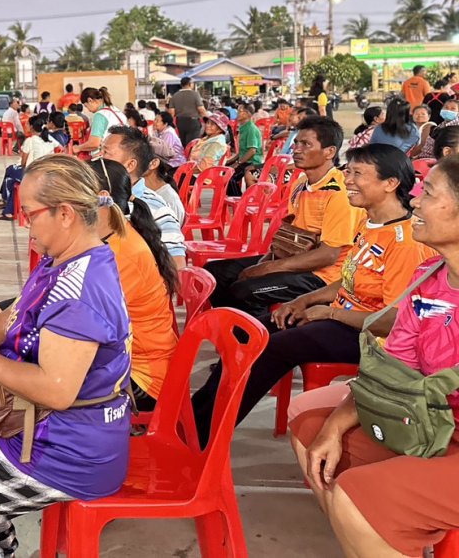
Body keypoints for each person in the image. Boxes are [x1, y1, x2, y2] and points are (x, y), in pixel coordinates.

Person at [0, 155, 132, 558]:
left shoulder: (80, 290)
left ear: (65, 213)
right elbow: (14, 314)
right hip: (54, 430)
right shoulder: (63, 260)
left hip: (72, 449)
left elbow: (56, 391)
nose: (25, 223)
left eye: (30, 214)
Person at [192, 144, 429, 446]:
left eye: (358, 174)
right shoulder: (370, 224)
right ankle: (191, 420)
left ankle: (201, 437)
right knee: (246, 335)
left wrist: (330, 312)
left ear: (390, 183)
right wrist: (303, 301)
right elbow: (349, 280)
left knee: (270, 348)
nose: (348, 181)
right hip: (342, 318)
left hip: (372, 339)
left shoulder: (405, 242)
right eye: (349, 172)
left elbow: (392, 321)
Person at [292, 157, 459, 558]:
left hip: (443, 425)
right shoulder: (430, 277)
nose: (414, 202)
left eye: (428, 194)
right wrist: (333, 428)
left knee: (358, 495)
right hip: (437, 422)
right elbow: (390, 372)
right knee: (311, 430)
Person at [207, 115, 362, 316]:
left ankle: (261, 341)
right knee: (215, 273)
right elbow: (287, 234)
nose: (296, 149)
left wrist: (269, 268)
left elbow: (328, 256)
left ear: (329, 152)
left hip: (323, 275)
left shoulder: (339, 193)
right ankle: (234, 335)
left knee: (245, 290)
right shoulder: (300, 184)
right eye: (296, 142)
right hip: (296, 259)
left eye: (306, 144)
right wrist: (265, 262)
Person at [90, 159, 179, 413]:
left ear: (101, 198)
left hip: (142, 379)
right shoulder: (110, 238)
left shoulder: (120, 253)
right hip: (128, 361)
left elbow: (88, 328)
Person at [100, 126, 186, 264]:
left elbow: (177, 264)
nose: (97, 158)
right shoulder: (99, 198)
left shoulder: (155, 208)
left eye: (105, 152)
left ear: (130, 165)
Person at [0, 115, 57, 220]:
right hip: (47, 173)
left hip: (33, 174)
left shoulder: (30, 140)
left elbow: (23, 162)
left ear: (32, 127)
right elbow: (59, 148)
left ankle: (5, 202)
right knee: (11, 180)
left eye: (27, 124)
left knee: (10, 170)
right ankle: (8, 209)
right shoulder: (49, 138)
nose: (26, 125)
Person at [72, 87, 126, 158]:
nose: (88, 110)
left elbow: (94, 144)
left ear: (90, 100)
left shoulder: (100, 115)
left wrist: (78, 148)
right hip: (124, 153)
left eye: (86, 106)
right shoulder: (117, 111)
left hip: (111, 157)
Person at [226, 102, 264, 191]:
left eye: (239, 111)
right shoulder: (244, 127)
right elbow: (243, 151)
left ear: (247, 114)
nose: (237, 113)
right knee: (225, 170)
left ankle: (239, 201)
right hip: (245, 160)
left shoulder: (251, 129)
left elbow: (252, 151)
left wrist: (237, 163)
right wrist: (231, 161)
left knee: (230, 179)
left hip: (252, 162)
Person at [170, 77, 208, 146]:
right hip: (193, 122)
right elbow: (201, 110)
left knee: (183, 143)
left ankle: (184, 156)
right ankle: (190, 156)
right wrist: (208, 119)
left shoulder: (175, 96)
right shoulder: (195, 94)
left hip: (180, 122)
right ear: (190, 84)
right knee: (193, 144)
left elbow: (172, 112)